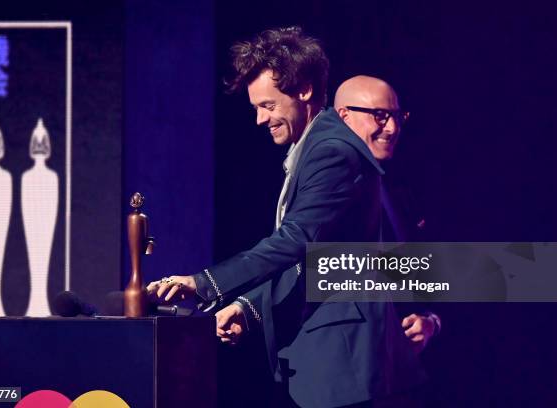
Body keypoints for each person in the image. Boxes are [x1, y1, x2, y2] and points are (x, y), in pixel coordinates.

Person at [148, 28, 425, 407]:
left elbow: (294, 242)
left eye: (268, 105)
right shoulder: (316, 147)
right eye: (256, 108)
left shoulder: (331, 151)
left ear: (305, 90)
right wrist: (248, 307)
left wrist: (204, 282)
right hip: (333, 362)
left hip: (346, 364)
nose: (261, 119)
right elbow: (314, 264)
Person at [333, 75, 441, 353]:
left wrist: (431, 320)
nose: (392, 128)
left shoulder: (404, 186)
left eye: (397, 116)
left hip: (404, 371)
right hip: (344, 366)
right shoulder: (322, 188)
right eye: (380, 116)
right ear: (344, 116)